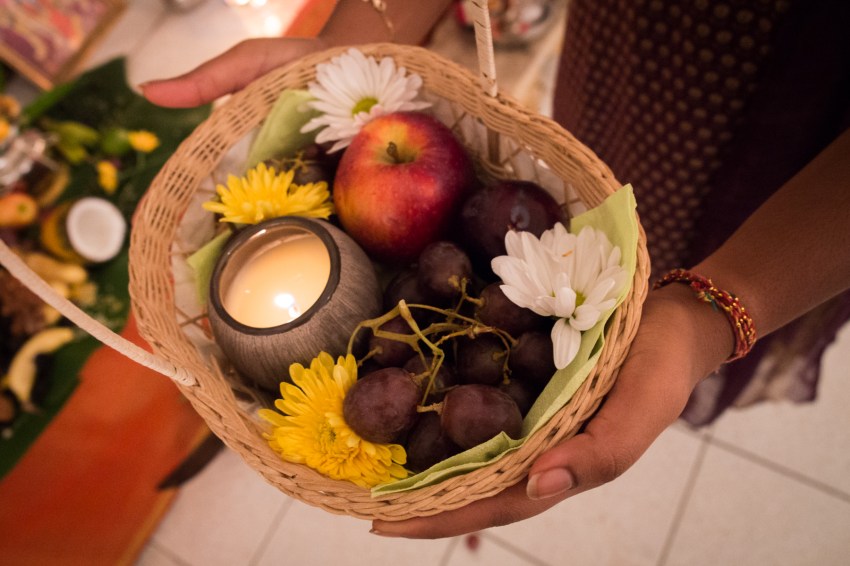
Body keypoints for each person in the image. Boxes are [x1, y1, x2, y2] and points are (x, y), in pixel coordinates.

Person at [140, 0, 850, 539]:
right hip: (634, 61)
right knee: (590, 209)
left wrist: (716, 313)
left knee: (600, 250)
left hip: (814, 176)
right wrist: (344, 46)